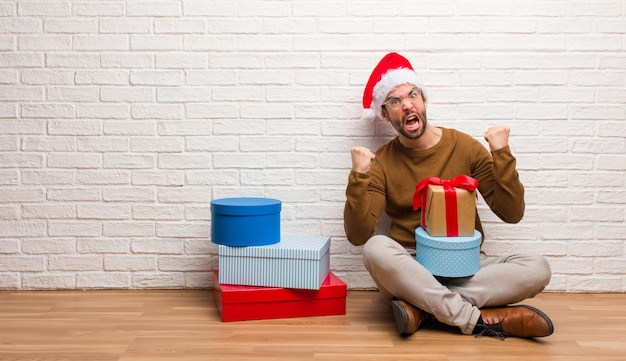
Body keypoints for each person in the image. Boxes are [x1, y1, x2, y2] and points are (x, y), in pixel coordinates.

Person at [343, 52, 554, 340]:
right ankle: (477, 320)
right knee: (375, 248)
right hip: (411, 267)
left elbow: (512, 213)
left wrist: (502, 154)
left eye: (412, 95)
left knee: (537, 267)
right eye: (394, 101)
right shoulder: (382, 162)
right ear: (384, 114)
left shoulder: (466, 147)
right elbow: (359, 234)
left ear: (424, 101)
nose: (406, 105)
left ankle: (423, 308)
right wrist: (358, 177)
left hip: (467, 267)